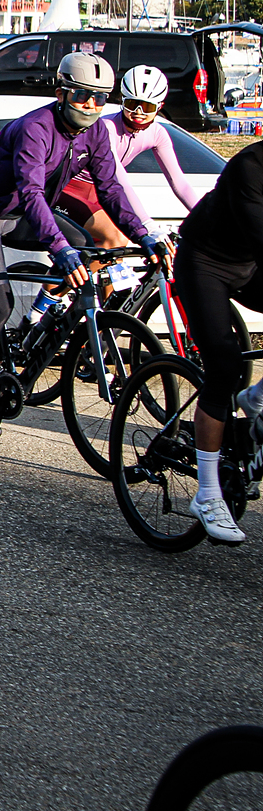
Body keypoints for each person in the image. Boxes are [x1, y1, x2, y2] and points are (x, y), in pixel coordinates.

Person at [0, 51, 162, 436]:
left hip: (20, 215)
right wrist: (58, 248)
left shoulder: (95, 132)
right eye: (82, 94)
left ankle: (38, 319)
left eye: (100, 97)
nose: (91, 104)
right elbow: (32, 192)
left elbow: (111, 189)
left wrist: (144, 234)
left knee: (86, 247)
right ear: (61, 93)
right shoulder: (36, 128)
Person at [34, 63, 200, 313]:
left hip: (100, 192)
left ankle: (107, 325)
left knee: (114, 258)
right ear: (122, 100)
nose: (139, 113)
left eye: (148, 107)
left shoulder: (158, 133)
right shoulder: (107, 128)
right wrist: (148, 226)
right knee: (114, 238)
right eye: (132, 105)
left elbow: (179, 182)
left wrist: (204, 214)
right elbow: (119, 180)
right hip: (71, 187)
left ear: (160, 107)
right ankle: (43, 305)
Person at [171, 139, 263, 543]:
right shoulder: (251, 165)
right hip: (205, 262)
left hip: (249, 264)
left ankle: (255, 398)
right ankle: (207, 494)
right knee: (225, 367)